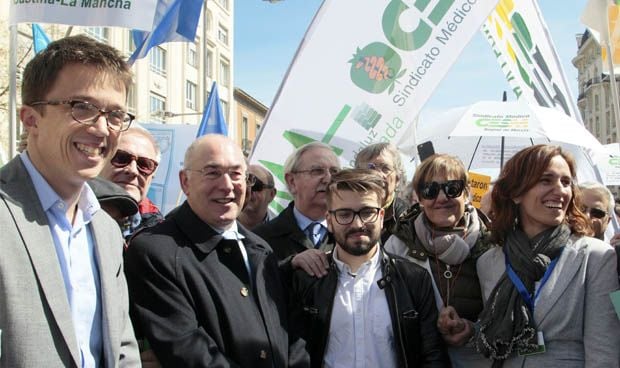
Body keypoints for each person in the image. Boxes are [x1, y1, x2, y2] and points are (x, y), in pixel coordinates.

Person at [0, 35, 140, 366]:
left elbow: (122, 348)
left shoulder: (106, 229)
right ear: (31, 119)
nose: (103, 129)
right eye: (83, 107)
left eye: (115, 114)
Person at [124, 134, 310, 367]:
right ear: (185, 182)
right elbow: (187, 350)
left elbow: (293, 335)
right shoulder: (154, 251)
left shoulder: (261, 249)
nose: (227, 185)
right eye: (212, 172)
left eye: (236, 174)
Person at [474, 144, 620, 367]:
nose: (560, 190)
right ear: (516, 193)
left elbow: (603, 350)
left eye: (566, 182)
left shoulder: (595, 257)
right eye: (546, 180)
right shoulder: (488, 262)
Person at [290, 168, 448, 367]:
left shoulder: (414, 280)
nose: (358, 224)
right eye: (345, 214)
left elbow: (432, 356)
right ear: (329, 220)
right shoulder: (307, 280)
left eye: (367, 212)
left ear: (381, 217)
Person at [384, 154, 492, 367]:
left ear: (467, 193)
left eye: (452, 188)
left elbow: (506, 315)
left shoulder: (493, 243)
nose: (442, 198)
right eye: (430, 191)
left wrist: (473, 329)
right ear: (420, 198)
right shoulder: (398, 245)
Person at [254, 142, 340, 276]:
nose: (328, 179)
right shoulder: (261, 238)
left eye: (335, 172)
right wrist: (289, 266)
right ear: (292, 181)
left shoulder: (350, 233)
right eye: (317, 171)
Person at [100, 124, 163, 238]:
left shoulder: (163, 234)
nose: (133, 170)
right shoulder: (71, 218)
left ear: (152, 176)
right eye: (121, 158)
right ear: (99, 161)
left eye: (145, 165)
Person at [354, 142, 409, 243]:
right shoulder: (344, 213)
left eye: (385, 168)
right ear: (357, 176)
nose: (378, 174)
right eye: (371, 167)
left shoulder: (408, 219)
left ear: (397, 179)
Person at [238, 164, 277, 229]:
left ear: (271, 194)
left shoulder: (278, 231)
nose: (248, 190)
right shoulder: (220, 214)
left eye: (256, 186)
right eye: (244, 183)